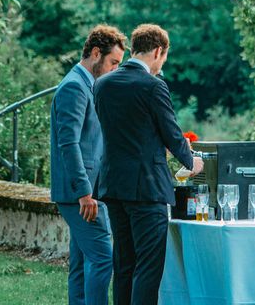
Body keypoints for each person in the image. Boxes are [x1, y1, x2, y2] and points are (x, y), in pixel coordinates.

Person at [94, 23, 204, 305]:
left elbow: (127, 132)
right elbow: (171, 132)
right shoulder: (153, 86)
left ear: (133, 49)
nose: (161, 65)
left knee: (124, 266)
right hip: (147, 190)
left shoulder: (102, 84)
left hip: (113, 186)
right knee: (148, 267)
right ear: (158, 51)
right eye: (163, 58)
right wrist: (191, 161)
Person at [50, 25, 127, 305]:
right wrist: (84, 192)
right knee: (103, 259)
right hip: (79, 195)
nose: (116, 70)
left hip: (88, 193)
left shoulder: (88, 85)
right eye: (113, 63)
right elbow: (68, 143)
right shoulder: (73, 86)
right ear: (96, 53)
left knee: (82, 265)